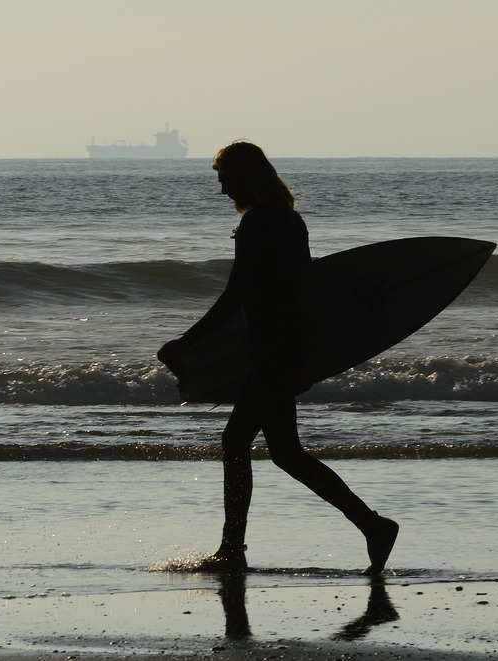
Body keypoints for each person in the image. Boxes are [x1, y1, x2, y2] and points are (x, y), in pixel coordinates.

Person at [158, 141, 399, 574]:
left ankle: (371, 525)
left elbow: (239, 293)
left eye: (224, 177)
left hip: (273, 349)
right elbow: (303, 287)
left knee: (282, 451)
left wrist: (188, 341)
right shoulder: (289, 219)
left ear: (245, 176)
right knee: (250, 444)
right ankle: (240, 545)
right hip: (287, 345)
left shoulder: (258, 224)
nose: (221, 188)